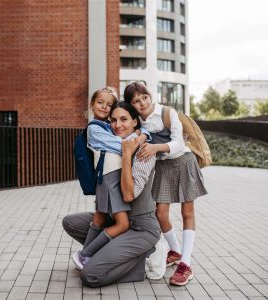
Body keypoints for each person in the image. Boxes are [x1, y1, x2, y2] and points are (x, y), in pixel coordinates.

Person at [63, 101, 160, 287]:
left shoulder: (145, 151)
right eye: (113, 120)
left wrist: (127, 154)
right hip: (116, 221)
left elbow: (129, 195)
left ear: (135, 122)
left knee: (90, 276)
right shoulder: (113, 143)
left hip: (141, 228)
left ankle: (138, 263)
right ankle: (111, 253)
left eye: (124, 119)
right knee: (70, 222)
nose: (118, 125)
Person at [123, 82, 208, 286]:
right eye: (136, 100)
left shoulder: (167, 113)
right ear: (131, 104)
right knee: (161, 214)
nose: (142, 102)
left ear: (150, 95)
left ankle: (185, 265)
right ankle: (176, 251)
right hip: (163, 167)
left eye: (144, 97)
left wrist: (155, 148)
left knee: (187, 212)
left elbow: (179, 142)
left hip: (183, 162)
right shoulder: (139, 122)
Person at [73, 87, 148, 270]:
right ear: (92, 105)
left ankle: (84, 257)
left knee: (99, 219)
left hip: (109, 179)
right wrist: (138, 136)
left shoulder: (108, 126)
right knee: (122, 224)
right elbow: (121, 146)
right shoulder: (94, 129)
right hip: (109, 180)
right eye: (100, 103)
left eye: (109, 105)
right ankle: (85, 255)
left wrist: (141, 133)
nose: (105, 107)